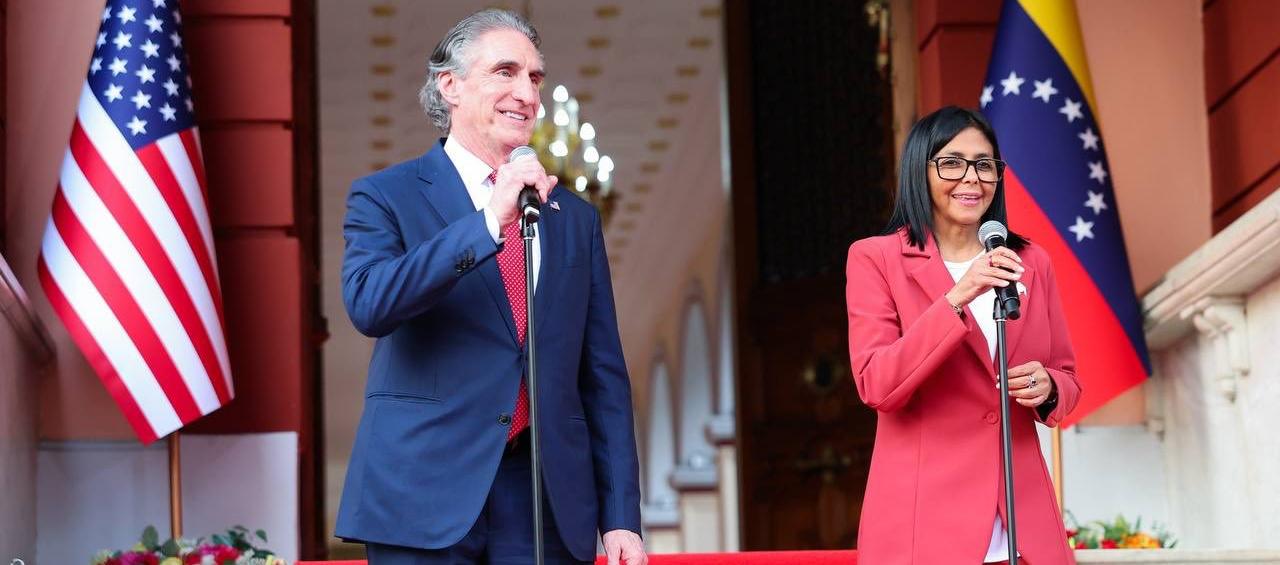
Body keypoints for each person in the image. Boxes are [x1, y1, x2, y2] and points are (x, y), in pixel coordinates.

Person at [334, 9, 646, 565]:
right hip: (423, 497)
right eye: (505, 71)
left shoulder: (572, 218)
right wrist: (485, 223)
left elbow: (602, 376)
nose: (526, 92)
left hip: (545, 500)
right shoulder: (386, 195)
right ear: (449, 85)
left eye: (534, 77)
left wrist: (621, 515)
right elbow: (369, 302)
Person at [845, 106, 1080, 564]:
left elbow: (1067, 377)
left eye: (985, 164)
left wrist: (1048, 386)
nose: (972, 178)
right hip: (925, 524)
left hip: (1021, 521)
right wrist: (959, 295)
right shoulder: (876, 259)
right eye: (952, 163)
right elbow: (877, 383)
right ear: (920, 169)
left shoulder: (1031, 261)